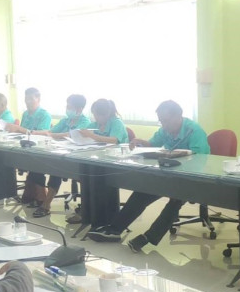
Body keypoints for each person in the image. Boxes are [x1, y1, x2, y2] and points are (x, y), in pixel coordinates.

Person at [88, 100, 209, 252]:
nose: (163, 125)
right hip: (170, 174)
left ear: (178, 116)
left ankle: (148, 237)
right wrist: (140, 142)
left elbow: (201, 159)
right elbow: (153, 144)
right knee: (143, 191)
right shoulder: (165, 130)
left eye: (166, 121)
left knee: (176, 199)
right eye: (161, 121)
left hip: (192, 177)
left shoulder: (194, 131)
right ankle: (114, 229)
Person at [28, 94, 92, 217]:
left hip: (77, 158)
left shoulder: (85, 122)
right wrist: (36, 133)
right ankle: (41, 199)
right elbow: (50, 132)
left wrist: (55, 135)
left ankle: (46, 205)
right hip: (60, 153)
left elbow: (71, 135)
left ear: (79, 109)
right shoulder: (65, 120)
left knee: (56, 169)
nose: (67, 109)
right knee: (40, 164)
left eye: (70, 107)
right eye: (67, 106)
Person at [8, 87, 53, 206]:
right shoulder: (25, 114)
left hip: (39, 149)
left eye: (31, 99)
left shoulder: (44, 115)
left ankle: (41, 196)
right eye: (26, 99)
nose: (28, 102)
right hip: (25, 146)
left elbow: (42, 133)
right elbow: (22, 132)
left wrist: (20, 129)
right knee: (7, 158)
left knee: (35, 164)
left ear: (38, 99)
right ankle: (12, 191)